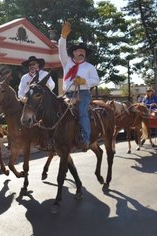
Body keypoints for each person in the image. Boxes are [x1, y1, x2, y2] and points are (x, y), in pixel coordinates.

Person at [59, 22, 100, 151]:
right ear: (74, 52)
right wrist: (63, 37)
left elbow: (96, 80)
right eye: (79, 50)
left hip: (83, 94)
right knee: (54, 111)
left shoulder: (89, 67)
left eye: (83, 51)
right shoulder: (66, 62)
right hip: (67, 94)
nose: (81, 52)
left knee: (82, 113)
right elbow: (61, 49)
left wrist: (84, 82)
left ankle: (85, 139)